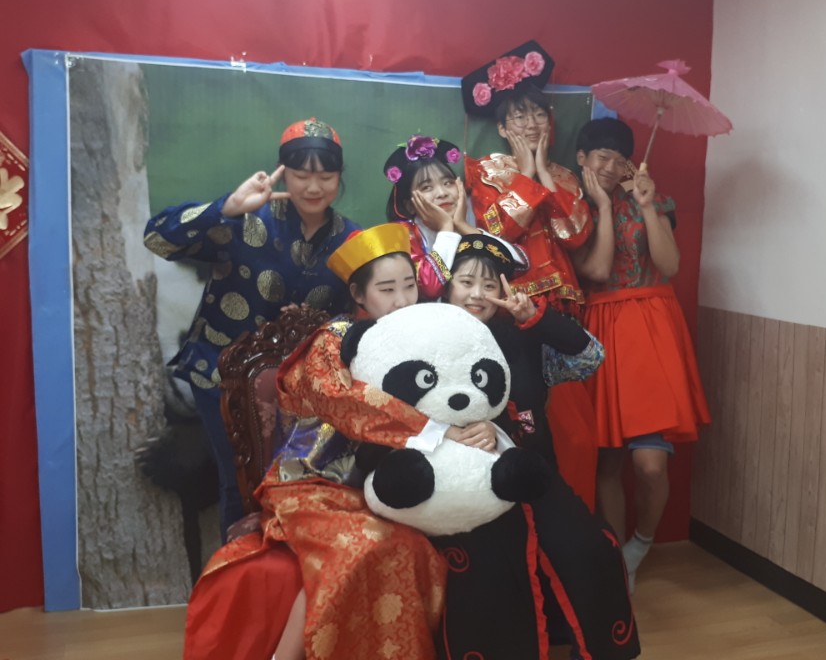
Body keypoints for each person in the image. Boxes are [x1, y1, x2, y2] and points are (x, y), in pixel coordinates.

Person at [184, 224, 465, 660]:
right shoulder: (333, 342)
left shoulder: (418, 339)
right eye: (386, 289)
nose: (402, 300)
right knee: (361, 546)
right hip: (307, 483)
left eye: (409, 286)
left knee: (415, 550)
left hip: (374, 490)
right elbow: (345, 401)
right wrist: (432, 429)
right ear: (358, 294)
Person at [143, 117, 359, 540]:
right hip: (220, 375)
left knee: (292, 482)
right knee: (238, 482)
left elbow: (356, 313)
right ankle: (237, 569)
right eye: (301, 175)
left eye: (326, 176)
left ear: (339, 177)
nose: (313, 187)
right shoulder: (245, 219)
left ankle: (280, 567)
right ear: (284, 172)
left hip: (299, 387)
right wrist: (225, 207)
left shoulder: (350, 238)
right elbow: (157, 239)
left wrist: (318, 324)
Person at [441, 234, 640, 660]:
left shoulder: (522, 334)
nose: (476, 294)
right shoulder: (426, 334)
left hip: (536, 475)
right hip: (465, 485)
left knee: (592, 548)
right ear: (446, 284)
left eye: (489, 285)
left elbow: (590, 356)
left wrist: (534, 316)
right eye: (466, 282)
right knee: (487, 572)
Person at [571, 117, 711, 589]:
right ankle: (617, 559)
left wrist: (648, 206)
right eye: (602, 158)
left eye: (619, 160)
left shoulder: (654, 199)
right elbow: (594, 271)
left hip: (651, 328)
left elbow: (669, 264)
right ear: (582, 159)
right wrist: (603, 207)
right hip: (600, 325)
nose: (611, 168)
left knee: (650, 464)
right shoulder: (572, 207)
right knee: (607, 460)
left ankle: (640, 543)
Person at [460, 41, 598, 507]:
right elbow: (499, 229)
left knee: (574, 429)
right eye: (518, 115)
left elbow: (575, 234)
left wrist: (542, 173)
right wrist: (525, 175)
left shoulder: (567, 176)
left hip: (562, 313)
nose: (532, 123)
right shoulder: (484, 171)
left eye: (539, 113)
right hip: (511, 312)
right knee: (522, 418)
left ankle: (576, 515)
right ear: (501, 127)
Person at [383, 133, 529, 299]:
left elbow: (520, 264)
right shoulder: (402, 236)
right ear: (410, 205)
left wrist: (463, 226)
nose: (442, 193)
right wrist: (446, 228)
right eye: (426, 187)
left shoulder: (477, 214)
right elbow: (429, 288)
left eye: (448, 183)